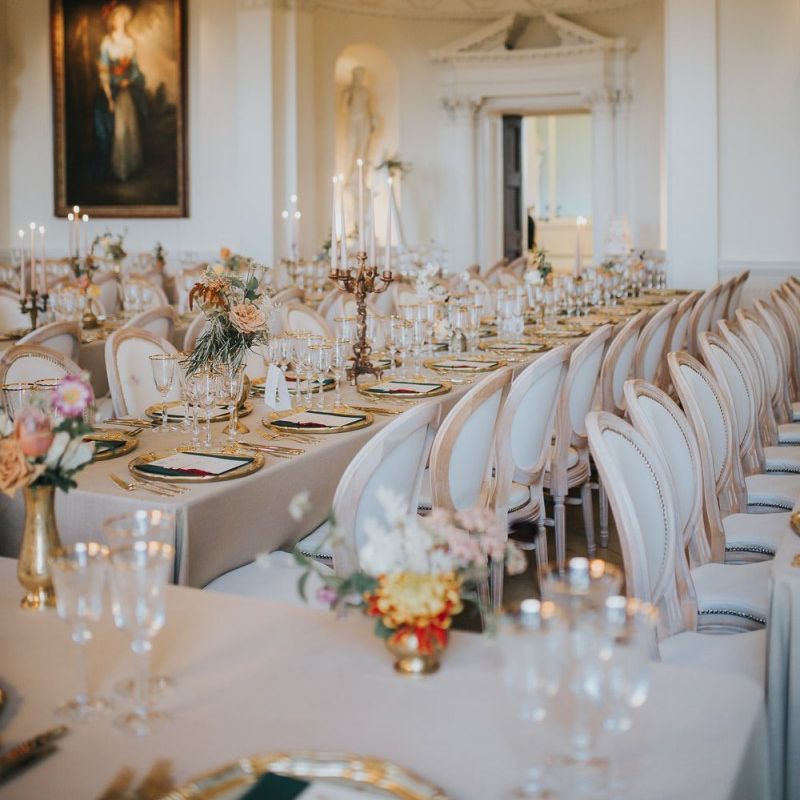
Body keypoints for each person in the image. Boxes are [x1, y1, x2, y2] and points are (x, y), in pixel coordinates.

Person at [94, 2, 145, 181]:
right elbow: (103, 71)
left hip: (126, 90)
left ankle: (129, 168)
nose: (119, 21)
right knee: (115, 130)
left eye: (122, 17)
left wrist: (128, 80)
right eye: (116, 18)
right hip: (112, 90)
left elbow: (136, 70)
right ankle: (117, 169)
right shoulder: (107, 43)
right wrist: (109, 95)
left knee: (128, 128)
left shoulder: (130, 43)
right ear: (112, 21)